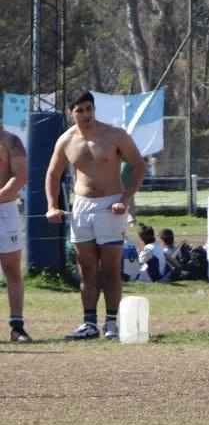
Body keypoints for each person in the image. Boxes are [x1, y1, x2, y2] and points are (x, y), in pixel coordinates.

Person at [46, 89, 146, 340]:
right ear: (71, 113)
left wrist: (124, 200)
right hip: (81, 208)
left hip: (111, 206)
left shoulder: (115, 135)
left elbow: (138, 166)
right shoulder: (66, 140)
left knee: (111, 269)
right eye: (80, 110)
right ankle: (89, 323)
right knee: (87, 269)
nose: (86, 114)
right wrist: (52, 205)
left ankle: (111, 322)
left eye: (89, 108)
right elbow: (53, 174)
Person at [0, 128, 29, 342]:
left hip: (5, 209)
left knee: (11, 267)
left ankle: (17, 327)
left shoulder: (11, 141)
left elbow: (19, 177)